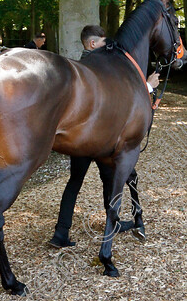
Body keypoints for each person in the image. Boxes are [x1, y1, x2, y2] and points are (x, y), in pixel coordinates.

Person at [48, 25, 157, 249]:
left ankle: (61, 232)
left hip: (80, 137)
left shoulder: (82, 66)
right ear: (92, 44)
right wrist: (147, 86)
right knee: (109, 177)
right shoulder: (99, 68)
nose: (107, 44)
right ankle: (112, 222)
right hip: (100, 137)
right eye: (102, 41)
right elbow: (113, 99)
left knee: (76, 182)